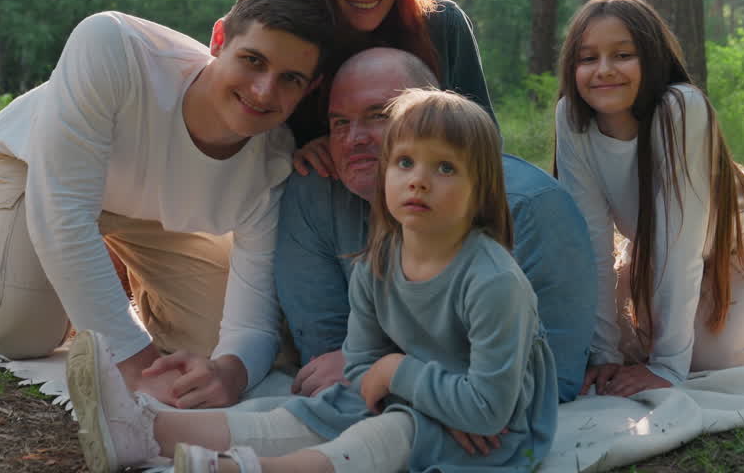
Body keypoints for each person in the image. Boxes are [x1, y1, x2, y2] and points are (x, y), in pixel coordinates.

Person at [66, 89, 558, 473]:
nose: (419, 180)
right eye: (405, 162)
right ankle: (147, 429)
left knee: (388, 433)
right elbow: (362, 367)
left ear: (482, 191)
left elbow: (489, 410)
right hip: (412, 392)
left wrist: (392, 374)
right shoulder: (378, 262)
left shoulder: (493, 282)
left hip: (494, 431)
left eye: (445, 168)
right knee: (317, 410)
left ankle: (253, 469)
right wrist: (383, 377)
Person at [0, 0, 336, 408]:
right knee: (18, 331)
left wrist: (229, 375)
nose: (263, 91)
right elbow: (63, 212)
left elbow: (251, 327)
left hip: (159, 213)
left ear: (309, 88)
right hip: (46, 175)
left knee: (207, 347)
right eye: (253, 60)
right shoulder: (112, 43)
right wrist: (140, 369)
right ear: (219, 39)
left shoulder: (273, 164)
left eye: (289, 79)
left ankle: (110, 263)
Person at [275, 47, 597, 411]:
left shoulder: (533, 208)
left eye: (378, 115)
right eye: (340, 123)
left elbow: (554, 376)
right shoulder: (313, 194)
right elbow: (326, 358)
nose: (353, 140)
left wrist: (395, 377)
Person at [553, 0, 744, 398]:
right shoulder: (572, 118)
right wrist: (604, 353)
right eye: (588, 58)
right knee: (630, 349)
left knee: (709, 363)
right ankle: (729, 320)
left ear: (652, 57)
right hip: (654, 254)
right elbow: (591, 240)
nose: (604, 70)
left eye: (623, 55)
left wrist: (667, 366)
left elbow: (679, 241)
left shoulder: (680, 108)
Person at [274, 0, 494, 169]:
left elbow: (486, 144)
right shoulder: (289, 38)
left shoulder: (442, 24)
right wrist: (298, 152)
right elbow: (261, 141)